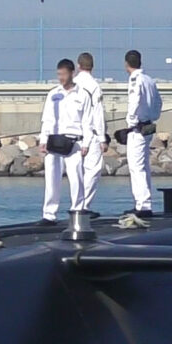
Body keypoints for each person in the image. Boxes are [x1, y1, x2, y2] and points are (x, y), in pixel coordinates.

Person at [39, 59, 99, 221]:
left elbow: (87, 121)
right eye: (59, 74)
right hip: (54, 141)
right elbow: (48, 119)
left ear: (72, 73)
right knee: (52, 179)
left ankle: (77, 210)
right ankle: (49, 215)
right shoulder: (53, 94)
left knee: (76, 178)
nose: (61, 78)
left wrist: (86, 143)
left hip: (74, 142)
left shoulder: (83, 94)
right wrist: (43, 140)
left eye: (64, 74)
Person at [119, 48, 162, 215]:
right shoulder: (149, 80)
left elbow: (135, 100)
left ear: (126, 64)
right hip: (148, 126)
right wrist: (154, 116)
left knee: (136, 167)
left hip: (137, 128)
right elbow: (158, 102)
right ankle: (145, 202)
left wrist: (130, 120)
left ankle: (142, 204)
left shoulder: (135, 79)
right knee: (144, 166)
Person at [74, 53, 107, 206]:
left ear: (78, 66)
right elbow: (97, 114)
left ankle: (76, 203)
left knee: (77, 172)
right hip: (91, 134)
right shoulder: (94, 86)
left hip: (74, 134)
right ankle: (83, 206)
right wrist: (102, 138)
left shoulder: (72, 84)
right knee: (92, 171)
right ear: (92, 67)